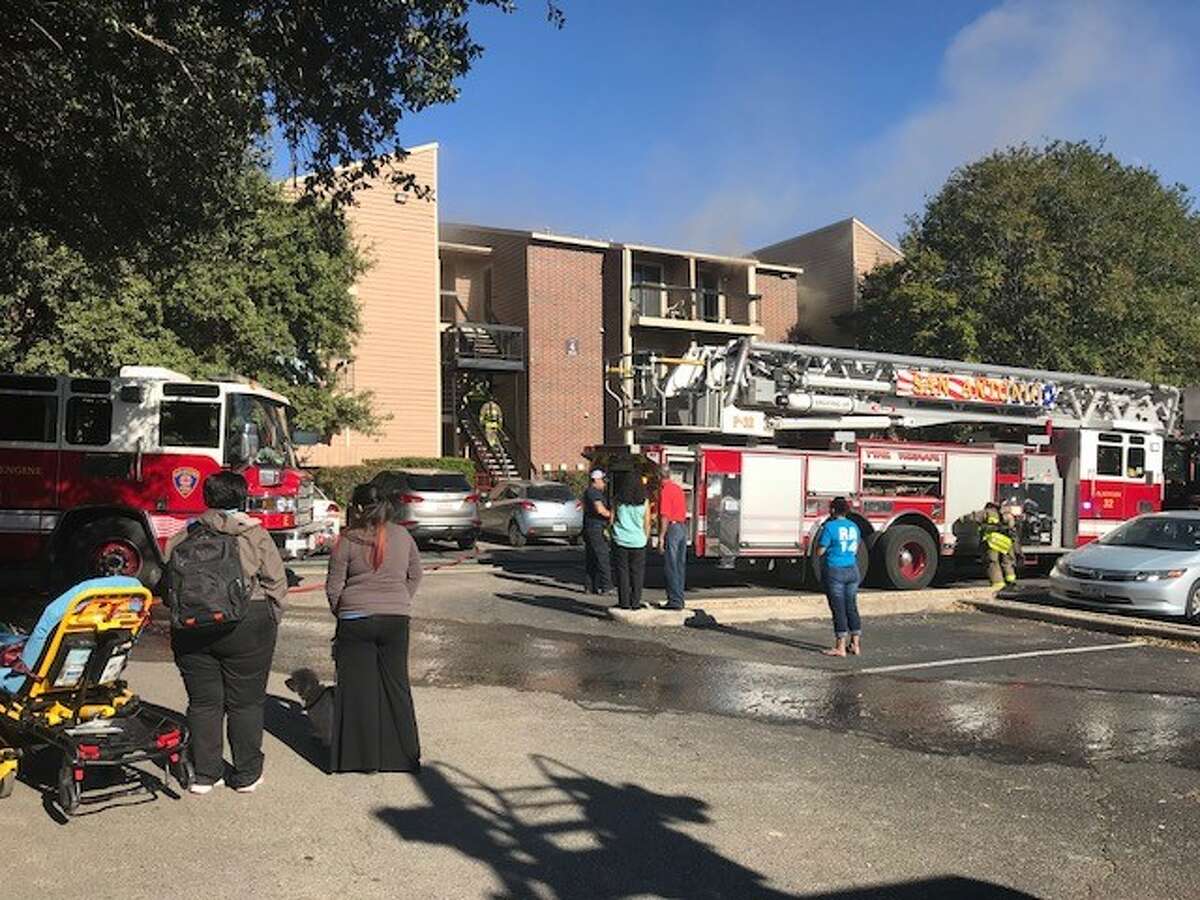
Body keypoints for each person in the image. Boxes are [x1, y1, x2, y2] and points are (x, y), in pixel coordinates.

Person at [168, 471, 287, 795]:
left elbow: (168, 578)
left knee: (204, 703)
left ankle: (206, 774)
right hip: (248, 622)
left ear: (206, 499)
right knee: (246, 702)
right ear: (242, 498)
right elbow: (276, 581)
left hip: (193, 628)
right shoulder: (254, 535)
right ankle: (246, 773)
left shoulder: (185, 534)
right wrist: (273, 616)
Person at [325, 482, 424, 773]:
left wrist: (341, 611)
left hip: (355, 617)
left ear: (357, 508)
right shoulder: (403, 535)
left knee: (357, 689)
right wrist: (401, 598)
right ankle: (402, 757)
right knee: (396, 685)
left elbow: (334, 585)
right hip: (395, 617)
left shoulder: (347, 539)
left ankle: (360, 759)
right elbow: (415, 574)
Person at [815, 497, 862, 657]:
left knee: (838, 609)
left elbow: (820, 550)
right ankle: (855, 644)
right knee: (851, 606)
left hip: (835, 570)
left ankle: (840, 647)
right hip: (852, 569)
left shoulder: (829, 527)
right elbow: (855, 550)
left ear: (833, 510)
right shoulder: (854, 526)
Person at [611, 474, 652, 610]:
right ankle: (635, 602)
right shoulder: (644, 501)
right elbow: (647, 523)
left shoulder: (618, 500)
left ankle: (624, 602)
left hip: (621, 539)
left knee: (622, 572)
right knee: (637, 573)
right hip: (638, 540)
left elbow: (612, 519)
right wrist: (645, 538)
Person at [657, 466, 688, 610]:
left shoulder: (665, 491)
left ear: (659, 477)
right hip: (682, 526)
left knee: (671, 565)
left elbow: (665, 516)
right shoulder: (677, 488)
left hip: (673, 527)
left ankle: (674, 600)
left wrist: (661, 537)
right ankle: (679, 598)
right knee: (679, 565)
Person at [973, 501, 1018, 589]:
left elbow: (973, 518)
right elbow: (1012, 528)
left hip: (993, 542)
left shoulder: (986, 512)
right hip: (1006, 542)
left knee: (993, 562)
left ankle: (998, 583)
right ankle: (1011, 580)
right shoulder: (1007, 515)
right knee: (1007, 561)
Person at [582, 469, 613, 595]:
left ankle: (590, 586)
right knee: (602, 556)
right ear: (596, 480)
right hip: (596, 528)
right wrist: (612, 516)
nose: (604, 484)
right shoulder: (593, 492)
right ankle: (607, 585)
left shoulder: (592, 492)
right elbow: (600, 510)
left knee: (592, 558)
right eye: (602, 481)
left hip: (590, 527)